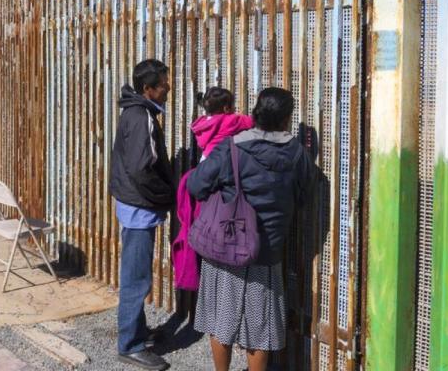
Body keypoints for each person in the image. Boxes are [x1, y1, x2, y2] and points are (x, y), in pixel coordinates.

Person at [188, 87, 319, 371]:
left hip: (227, 244)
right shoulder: (298, 154)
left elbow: (196, 185)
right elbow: (305, 196)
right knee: (259, 329)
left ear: (257, 113)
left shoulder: (232, 147)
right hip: (267, 251)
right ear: (286, 119)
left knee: (221, 321)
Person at [109, 59, 174, 371]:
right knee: (136, 279)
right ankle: (130, 345)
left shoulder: (136, 111)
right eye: (163, 83)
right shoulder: (141, 117)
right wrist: (165, 194)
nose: (168, 87)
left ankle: (135, 333)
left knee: (135, 274)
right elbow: (140, 168)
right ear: (148, 89)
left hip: (132, 203)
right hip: (139, 207)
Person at [172, 87, 253, 292]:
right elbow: (252, 123)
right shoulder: (231, 120)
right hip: (220, 164)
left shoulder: (202, 124)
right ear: (227, 107)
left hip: (204, 162)